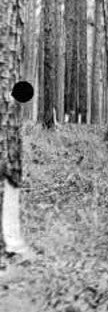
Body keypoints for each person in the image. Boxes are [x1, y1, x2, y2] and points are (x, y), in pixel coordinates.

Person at [1, 81, 34, 257]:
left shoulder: (11, 109)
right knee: (9, 206)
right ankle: (12, 244)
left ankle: (12, 243)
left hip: (10, 168)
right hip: (8, 169)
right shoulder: (12, 111)